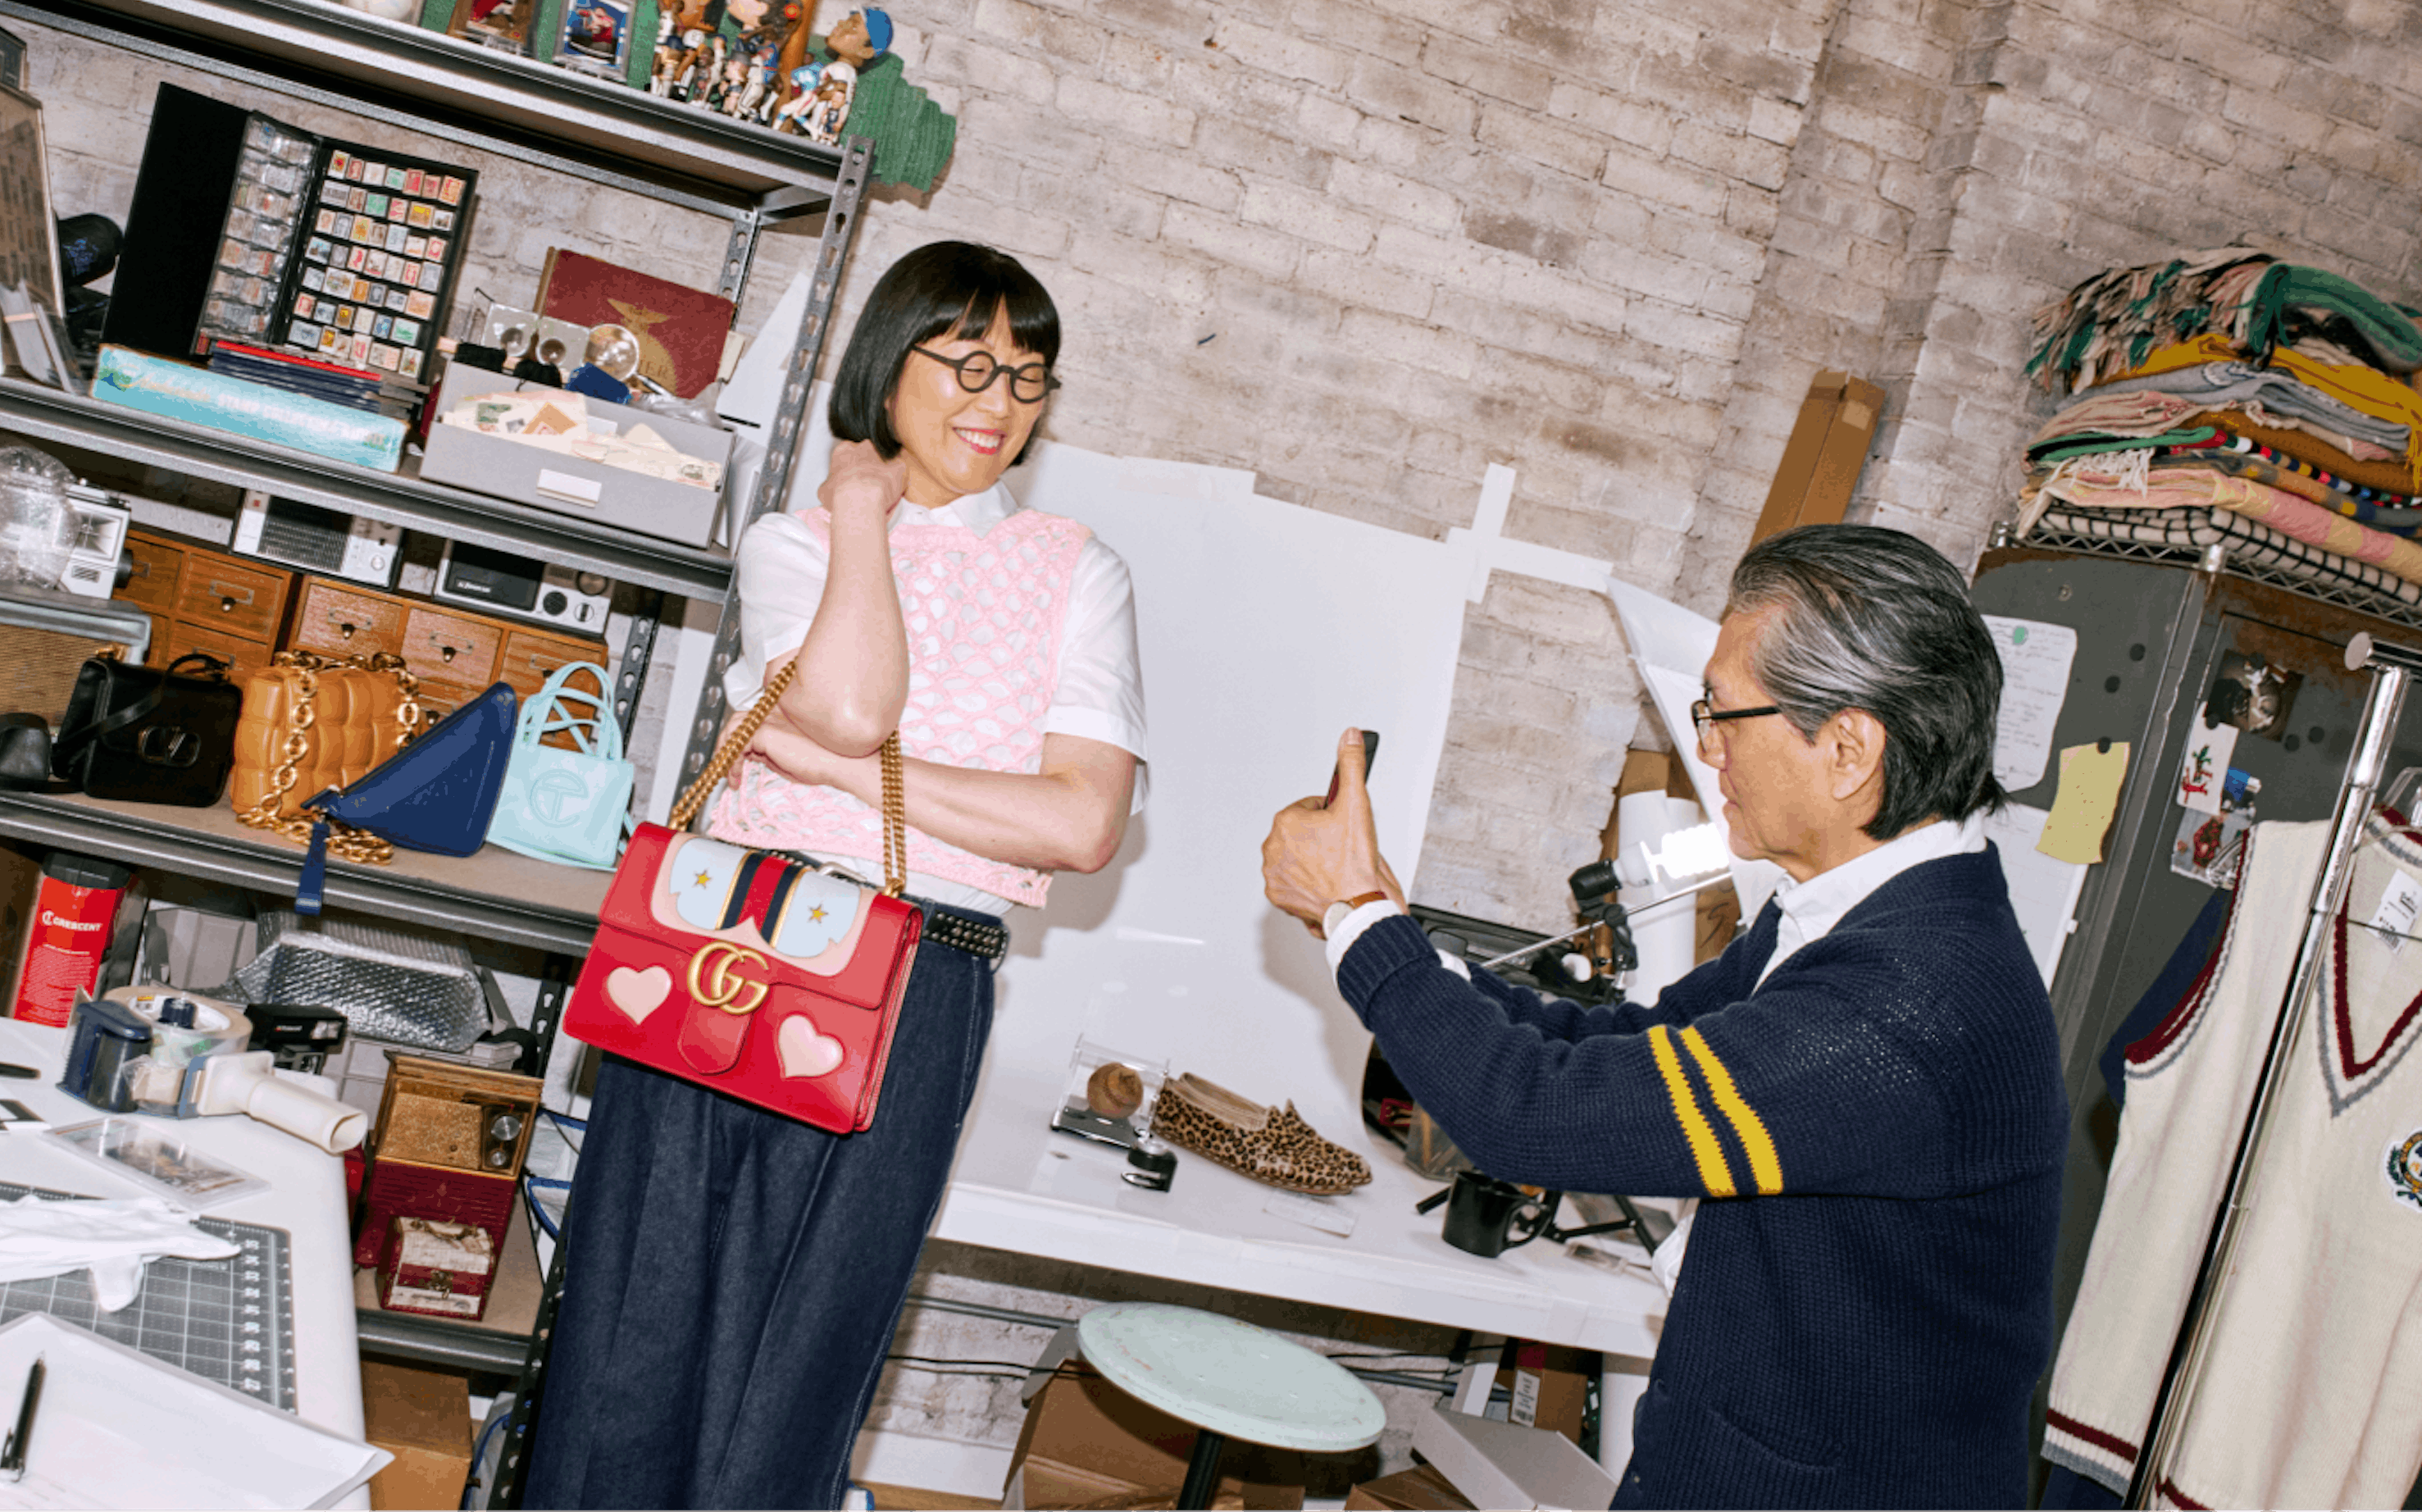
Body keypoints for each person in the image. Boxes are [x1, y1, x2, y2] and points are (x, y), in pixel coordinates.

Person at [1261, 524, 2066, 1510]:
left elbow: (1535, 1116)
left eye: (1724, 713)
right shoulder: (1846, 919)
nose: (1707, 744)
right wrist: (1389, 932)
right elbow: (1623, 1048)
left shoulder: (1910, 1003)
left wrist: (1358, 921)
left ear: (1850, 748)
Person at [524, 242, 1147, 1511]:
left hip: (920, 977)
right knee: (633, 1327)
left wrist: (865, 784)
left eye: (1030, 375)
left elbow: (1082, 824)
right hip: (732, 943)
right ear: (887, 362)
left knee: (803, 1348)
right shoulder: (797, 542)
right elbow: (859, 695)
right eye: (968, 359)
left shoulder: (1079, 572)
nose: (1001, 398)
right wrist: (864, 511)